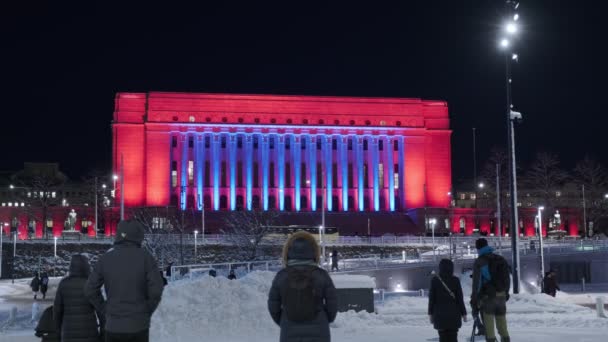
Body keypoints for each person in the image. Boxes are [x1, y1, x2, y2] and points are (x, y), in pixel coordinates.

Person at [85, 219, 164, 342]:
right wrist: (146, 310)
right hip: (139, 325)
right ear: (139, 235)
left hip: (113, 326)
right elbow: (157, 289)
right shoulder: (146, 258)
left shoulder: (106, 259)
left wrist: (105, 309)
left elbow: (90, 289)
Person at [268, 231, 338, 342]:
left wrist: (284, 320)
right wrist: (323, 319)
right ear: (314, 251)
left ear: (287, 251)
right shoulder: (321, 275)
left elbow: (273, 306)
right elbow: (332, 304)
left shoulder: (281, 276)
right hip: (319, 331)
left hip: (289, 331)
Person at [54, 255, 103, 342]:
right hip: (90, 334)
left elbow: (57, 311)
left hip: (68, 334)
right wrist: (103, 333)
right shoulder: (91, 284)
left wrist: (58, 332)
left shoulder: (63, 284)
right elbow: (101, 310)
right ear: (86, 267)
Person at [471, 238, 511, 342]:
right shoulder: (500, 259)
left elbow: (477, 284)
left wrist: (474, 300)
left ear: (478, 248)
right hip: (501, 296)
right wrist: (506, 292)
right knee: (502, 326)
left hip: (488, 298)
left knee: (489, 330)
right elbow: (507, 278)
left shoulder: (480, 261)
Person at [428, 259, 467, 342]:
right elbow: (460, 298)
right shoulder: (455, 280)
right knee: (453, 337)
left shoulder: (435, 280)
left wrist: (430, 314)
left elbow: (431, 299)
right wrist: (464, 313)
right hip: (454, 315)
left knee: (442, 337)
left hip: (439, 315)